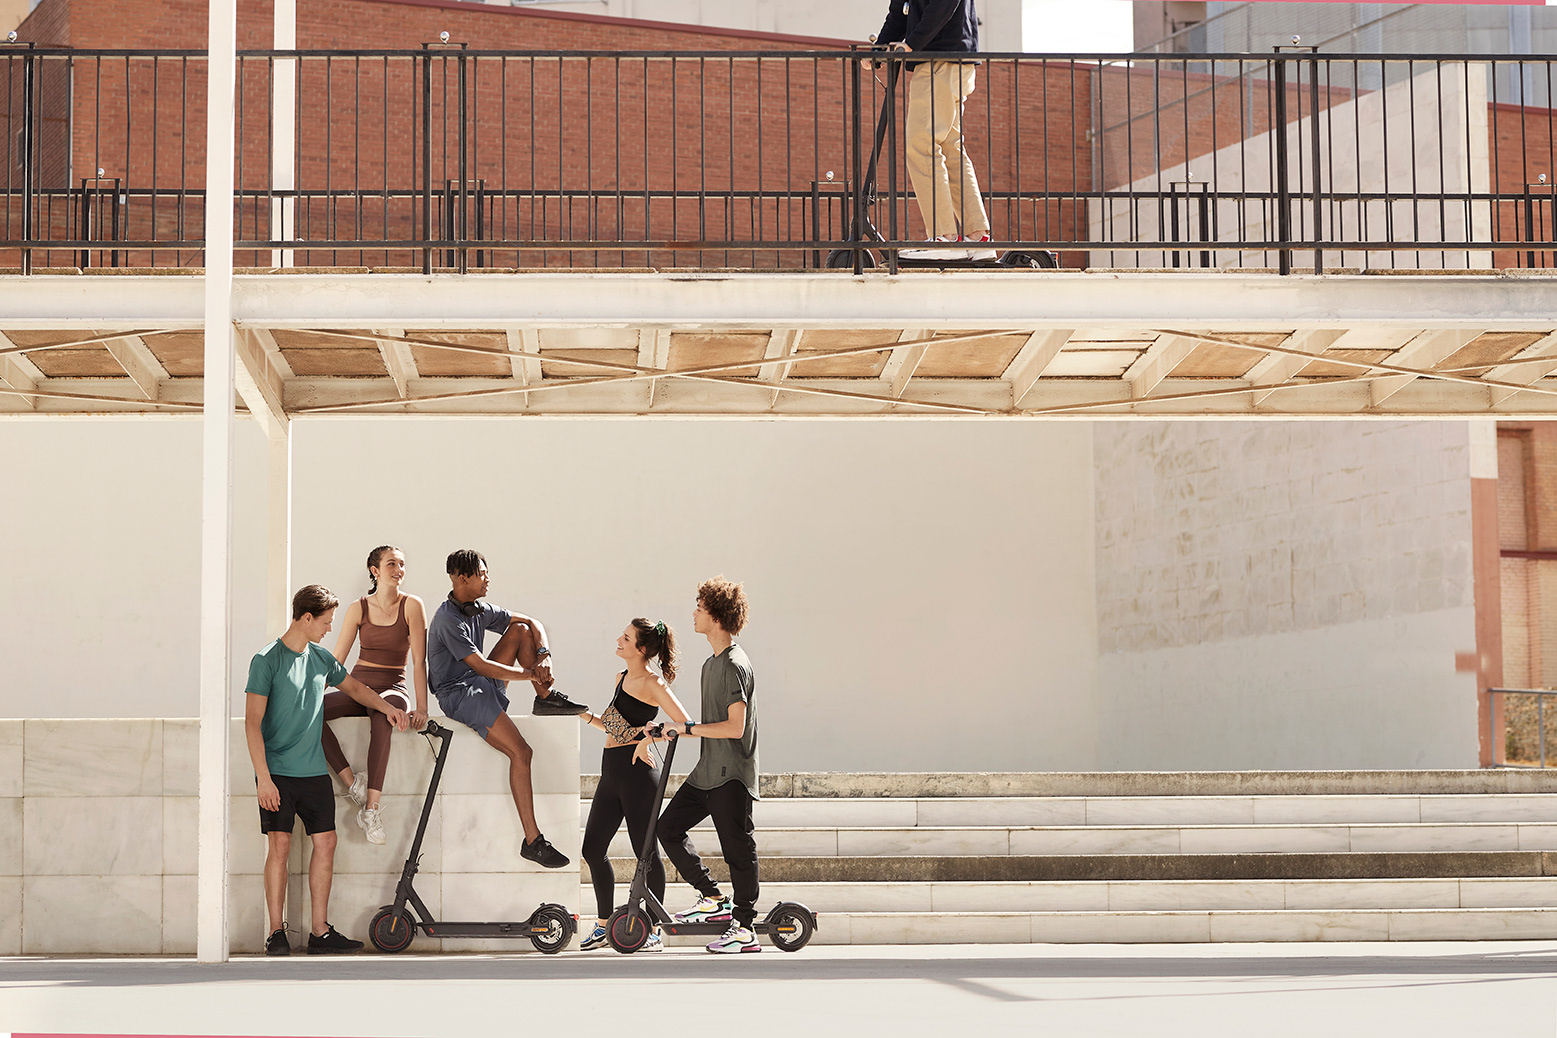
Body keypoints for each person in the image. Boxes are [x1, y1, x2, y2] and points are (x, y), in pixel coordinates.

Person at [245, 584, 410, 956]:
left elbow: (355, 688)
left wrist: (388, 708)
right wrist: (264, 779)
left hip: (313, 772)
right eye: (326, 621)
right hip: (277, 773)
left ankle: (320, 932)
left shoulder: (320, 658)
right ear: (307, 618)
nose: (330, 628)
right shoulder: (266, 660)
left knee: (327, 842)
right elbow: (252, 723)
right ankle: (276, 933)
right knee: (280, 845)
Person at [426, 549, 586, 869]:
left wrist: (544, 656)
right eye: (482, 574)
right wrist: (531, 674)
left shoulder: (479, 609)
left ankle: (546, 699)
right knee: (521, 753)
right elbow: (481, 666)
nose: (488, 579)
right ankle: (533, 842)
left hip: (479, 682)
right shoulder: (447, 620)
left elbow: (531, 622)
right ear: (463, 578)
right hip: (460, 693)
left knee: (521, 631)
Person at [652, 576, 761, 954]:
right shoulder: (710, 664)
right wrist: (668, 729)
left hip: (732, 775)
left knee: (738, 851)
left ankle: (745, 929)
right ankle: (713, 898)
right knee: (667, 828)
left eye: (699, 608)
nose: (694, 613)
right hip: (707, 773)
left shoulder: (734, 664)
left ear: (716, 616)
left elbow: (735, 727)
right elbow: (709, 725)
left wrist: (686, 728)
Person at [577, 618, 692, 952]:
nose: (619, 639)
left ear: (641, 649)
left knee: (646, 855)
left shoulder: (653, 683)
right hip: (611, 772)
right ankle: (604, 926)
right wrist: (580, 713)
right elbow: (615, 728)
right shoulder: (621, 678)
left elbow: (683, 723)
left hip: (639, 776)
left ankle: (652, 930)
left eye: (626, 638)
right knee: (592, 849)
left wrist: (649, 739)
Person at [321, 545, 429, 846]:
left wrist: (422, 707)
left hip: (393, 687)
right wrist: (310, 693)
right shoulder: (358, 608)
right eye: (391, 563)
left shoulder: (412, 605)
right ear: (375, 570)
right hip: (359, 686)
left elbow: (419, 661)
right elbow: (337, 661)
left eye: (402, 564)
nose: (399, 569)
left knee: (385, 716)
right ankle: (352, 782)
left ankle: (371, 809)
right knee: (311, 713)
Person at [874, 0, 995, 261]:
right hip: (949, 59)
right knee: (950, 148)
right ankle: (978, 238)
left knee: (922, 144)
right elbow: (899, 12)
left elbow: (943, 4)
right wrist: (879, 48)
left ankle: (944, 239)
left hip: (939, 60)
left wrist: (911, 44)